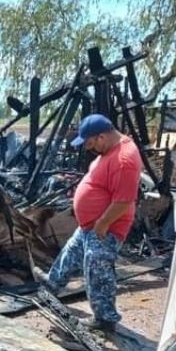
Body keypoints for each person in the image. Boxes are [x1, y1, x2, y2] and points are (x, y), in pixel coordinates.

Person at [32, 114, 143, 331]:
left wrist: (102, 223)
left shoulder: (124, 160)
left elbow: (124, 201)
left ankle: (105, 318)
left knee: (97, 270)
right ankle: (52, 284)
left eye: (91, 144)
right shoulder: (111, 150)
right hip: (92, 225)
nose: (89, 149)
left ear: (102, 137)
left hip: (106, 228)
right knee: (70, 253)